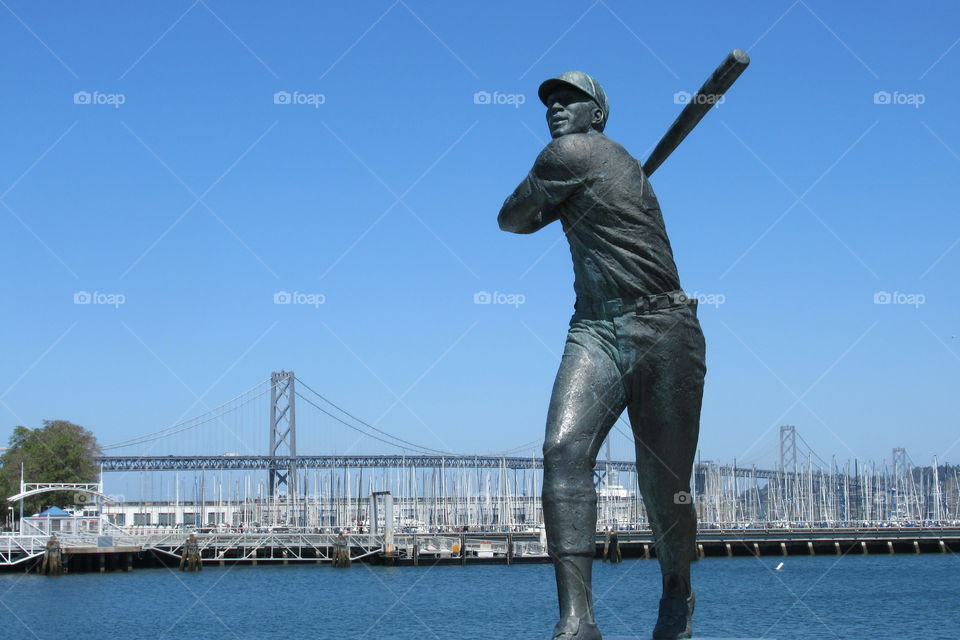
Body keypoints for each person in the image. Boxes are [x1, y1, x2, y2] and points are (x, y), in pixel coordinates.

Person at [498, 71, 706, 640]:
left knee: (663, 484)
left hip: (663, 326)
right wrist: (565, 207)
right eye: (550, 103)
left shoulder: (569, 154)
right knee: (562, 449)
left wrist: (553, 206)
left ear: (598, 116)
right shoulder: (587, 167)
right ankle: (577, 619)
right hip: (594, 325)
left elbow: (511, 218)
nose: (557, 109)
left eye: (572, 100)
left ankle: (676, 590)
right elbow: (518, 220)